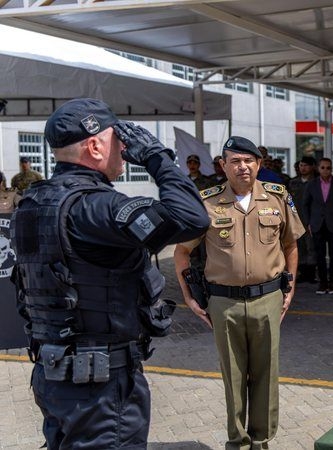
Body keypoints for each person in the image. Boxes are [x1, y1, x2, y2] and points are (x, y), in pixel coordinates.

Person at [11, 98, 209, 449]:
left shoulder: (32, 204)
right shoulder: (96, 207)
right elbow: (191, 217)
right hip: (100, 389)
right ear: (95, 145)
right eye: (120, 139)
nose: (125, 148)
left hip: (53, 374)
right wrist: (155, 156)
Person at [174, 136, 304, 450]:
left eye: (249, 160)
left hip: (268, 300)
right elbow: (181, 253)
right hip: (223, 302)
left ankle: (261, 440)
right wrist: (189, 297)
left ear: (259, 163)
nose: (242, 167)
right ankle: (238, 441)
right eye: (235, 161)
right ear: (223, 165)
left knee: (265, 373)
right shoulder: (206, 201)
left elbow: (290, 245)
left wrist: (291, 287)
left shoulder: (277, 197)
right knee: (232, 375)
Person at [303, 157, 333, 294]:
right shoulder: (311, 184)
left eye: (328, 167)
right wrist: (308, 223)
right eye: (323, 167)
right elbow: (305, 205)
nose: (326, 170)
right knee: (319, 256)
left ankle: (332, 283)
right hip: (317, 224)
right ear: (318, 168)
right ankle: (322, 283)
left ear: (331, 168)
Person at [288, 156, 318, 284]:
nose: (303, 168)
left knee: (311, 247)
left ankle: (311, 273)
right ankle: (301, 272)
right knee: (299, 247)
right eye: (301, 165)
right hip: (296, 219)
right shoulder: (293, 182)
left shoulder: (316, 182)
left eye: (306, 165)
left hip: (311, 220)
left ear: (312, 167)